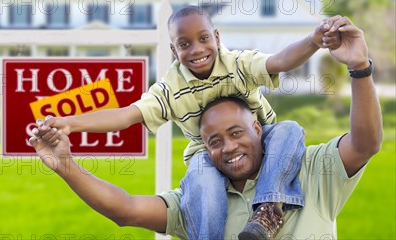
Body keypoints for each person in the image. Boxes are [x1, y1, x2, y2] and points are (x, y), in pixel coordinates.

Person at [30, 16, 382, 239]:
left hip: (278, 144)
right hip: (202, 170)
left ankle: (270, 208)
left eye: (236, 133)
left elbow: (364, 143)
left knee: (289, 128)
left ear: (216, 36)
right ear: (173, 49)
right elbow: (125, 202)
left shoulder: (310, 171)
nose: (228, 147)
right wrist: (67, 141)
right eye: (215, 140)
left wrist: (342, 57)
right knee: (200, 173)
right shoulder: (201, 194)